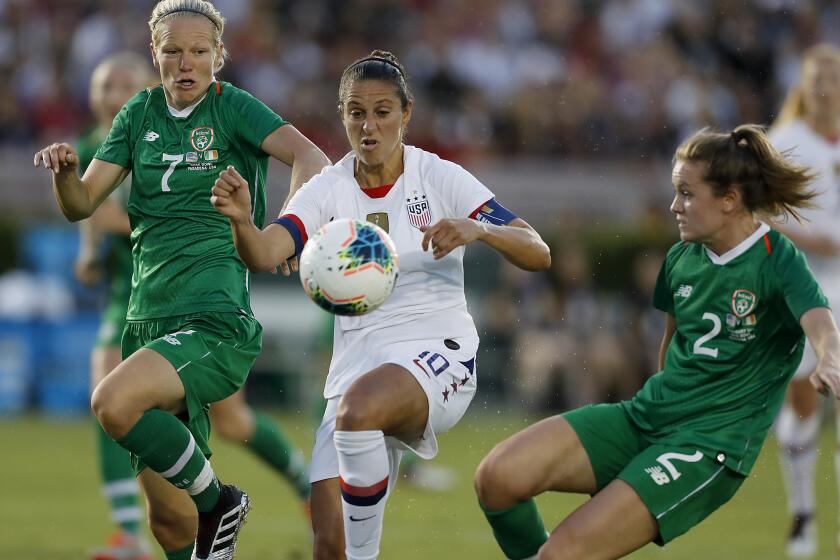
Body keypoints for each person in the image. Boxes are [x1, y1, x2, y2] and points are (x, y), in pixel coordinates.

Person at [209, 50, 552, 560]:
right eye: (355, 113)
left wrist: (478, 228)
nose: (368, 126)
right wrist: (241, 221)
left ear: (406, 114)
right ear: (342, 115)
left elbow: (537, 251)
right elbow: (264, 253)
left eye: (382, 112)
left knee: (359, 413)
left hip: (437, 350)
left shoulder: (439, 177)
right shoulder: (327, 188)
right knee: (329, 547)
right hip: (355, 369)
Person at [33, 2, 330, 560]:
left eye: (199, 51)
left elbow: (310, 158)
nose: (186, 62)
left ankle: (220, 501)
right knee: (169, 522)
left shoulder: (232, 107)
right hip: (145, 318)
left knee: (112, 403)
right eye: (173, 51)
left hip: (213, 318)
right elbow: (81, 206)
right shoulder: (137, 115)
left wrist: (283, 230)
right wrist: (66, 173)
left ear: (219, 55)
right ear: (156, 55)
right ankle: (206, 515)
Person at [473, 124, 840, 560]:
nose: (674, 206)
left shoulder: (777, 259)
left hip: (708, 447)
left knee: (564, 553)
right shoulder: (681, 258)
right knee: (496, 478)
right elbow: (669, 349)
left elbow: (821, 323)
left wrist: (830, 359)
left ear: (730, 199)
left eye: (686, 193)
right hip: (646, 418)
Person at [74, 51, 155, 560]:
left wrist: (114, 225)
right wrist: (88, 253)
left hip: (170, 289)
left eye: (123, 85)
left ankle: (304, 485)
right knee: (104, 396)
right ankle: (129, 533)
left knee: (231, 422)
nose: (112, 94)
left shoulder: (158, 138)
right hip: (124, 293)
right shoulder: (88, 146)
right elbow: (88, 209)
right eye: (104, 85)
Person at [768, 43, 840, 559]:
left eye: (834, 75)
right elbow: (758, 213)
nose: (826, 86)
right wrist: (813, 239)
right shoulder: (785, 142)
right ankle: (802, 512)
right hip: (802, 284)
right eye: (817, 75)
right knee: (804, 400)